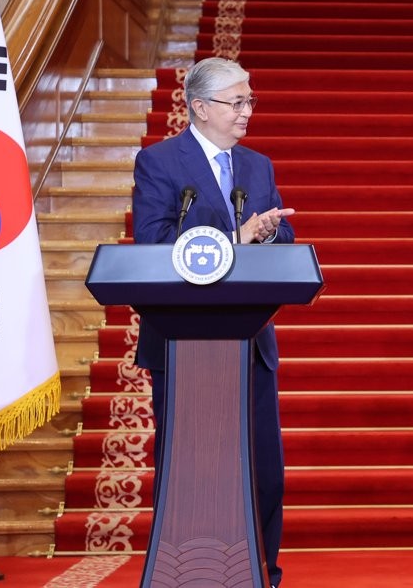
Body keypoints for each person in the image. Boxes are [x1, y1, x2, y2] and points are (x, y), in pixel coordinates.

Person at [132, 57, 294, 586]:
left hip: (250, 343)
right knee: (193, 475)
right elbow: (154, 245)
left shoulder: (257, 166)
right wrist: (233, 241)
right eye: (237, 102)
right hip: (184, 345)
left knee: (263, 471)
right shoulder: (160, 163)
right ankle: (187, 574)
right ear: (200, 108)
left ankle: (262, 573)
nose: (248, 112)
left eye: (250, 100)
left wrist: (267, 234)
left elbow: (280, 245)